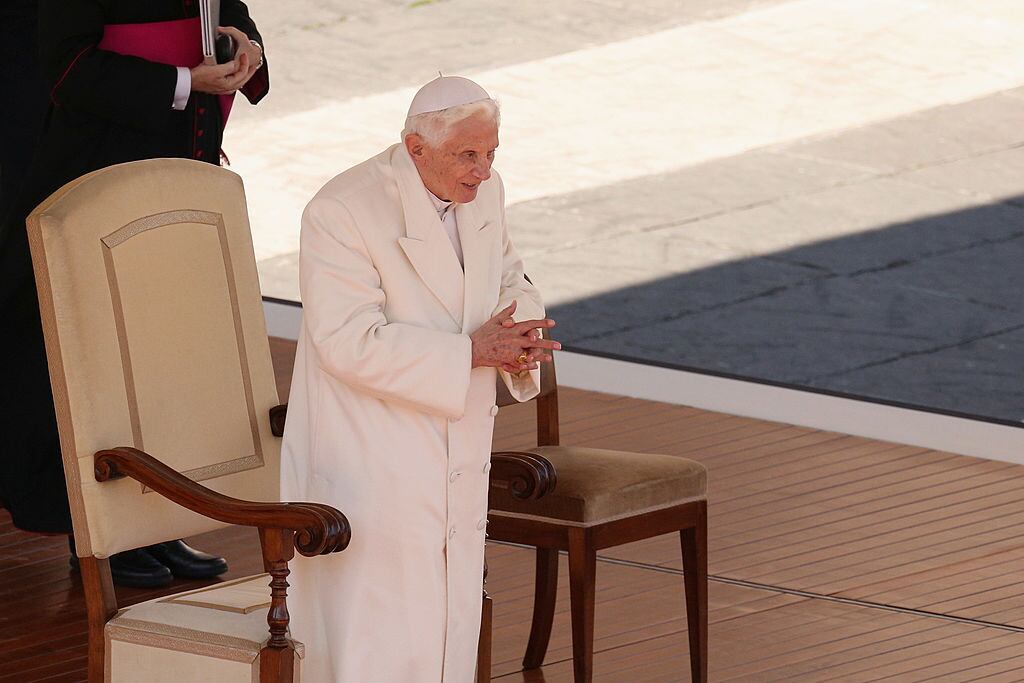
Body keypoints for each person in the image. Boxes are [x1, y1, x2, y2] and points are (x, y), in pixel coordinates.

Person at [281, 75, 561, 681]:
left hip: (456, 440)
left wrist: (520, 336)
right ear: (415, 148)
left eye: (491, 153)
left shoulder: (484, 193)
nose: (483, 171)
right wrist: (469, 354)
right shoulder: (341, 211)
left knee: (447, 619)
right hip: (371, 454)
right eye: (468, 155)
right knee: (378, 629)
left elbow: (513, 278)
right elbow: (346, 342)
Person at [0, 0, 269, 588]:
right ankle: (99, 537)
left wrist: (249, 50)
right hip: (95, 185)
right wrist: (183, 82)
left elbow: (231, 14)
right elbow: (67, 70)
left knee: (159, 364)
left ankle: (156, 525)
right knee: (100, 366)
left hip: (179, 178)